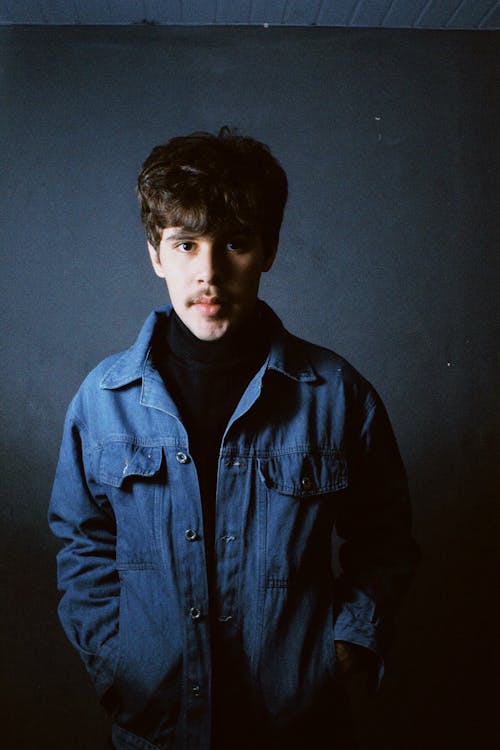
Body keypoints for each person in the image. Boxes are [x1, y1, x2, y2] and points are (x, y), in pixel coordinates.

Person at [49, 128, 418, 750]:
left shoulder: (335, 393)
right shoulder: (101, 399)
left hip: (299, 727)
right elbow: (81, 544)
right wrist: (118, 665)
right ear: (155, 254)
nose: (209, 273)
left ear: (268, 250)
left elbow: (384, 539)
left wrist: (349, 643)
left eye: (236, 245)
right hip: (154, 728)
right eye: (186, 244)